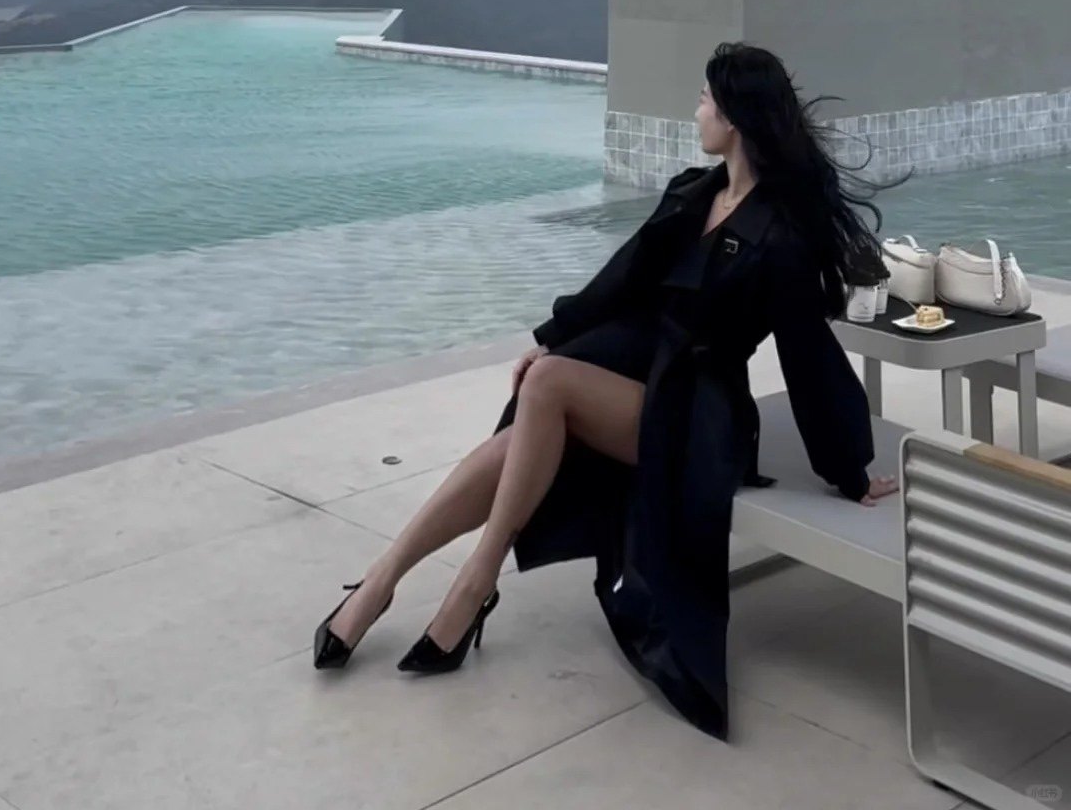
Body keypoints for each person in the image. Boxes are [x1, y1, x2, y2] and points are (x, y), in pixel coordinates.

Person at [312, 42, 899, 738]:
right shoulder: (695, 192)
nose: (696, 112)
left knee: (548, 387)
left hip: (699, 412)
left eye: (705, 101)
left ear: (735, 118)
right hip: (642, 378)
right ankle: (381, 581)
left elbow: (808, 355)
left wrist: (848, 467)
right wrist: (555, 335)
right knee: (525, 418)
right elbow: (624, 278)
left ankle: (476, 580)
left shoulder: (783, 237)